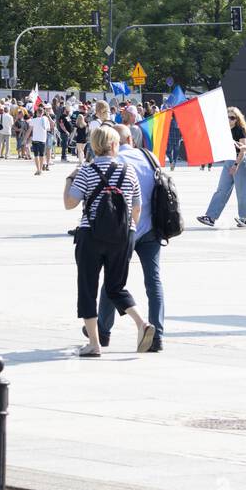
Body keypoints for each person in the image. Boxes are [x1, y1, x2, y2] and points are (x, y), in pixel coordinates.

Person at [64, 124, 155, 358]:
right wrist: (128, 229)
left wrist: (69, 179)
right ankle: (142, 323)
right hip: (123, 236)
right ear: (115, 145)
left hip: (90, 235)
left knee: (88, 289)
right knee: (116, 287)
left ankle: (94, 344)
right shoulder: (129, 171)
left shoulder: (86, 171)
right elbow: (136, 207)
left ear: (94, 146)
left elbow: (70, 203)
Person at [97, 126, 165, 351]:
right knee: (153, 282)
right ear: (131, 138)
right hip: (153, 228)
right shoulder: (150, 156)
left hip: (126, 229)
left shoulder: (116, 162)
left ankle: (103, 332)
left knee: (113, 280)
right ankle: (157, 336)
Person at [197, 107, 246, 226]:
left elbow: (243, 149)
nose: (229, 119)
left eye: (232, 117)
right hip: (229, 160)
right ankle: (211, 217)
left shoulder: (240, 129)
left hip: (240, 161)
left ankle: (245, 219)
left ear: (237, 119)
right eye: (227, 117)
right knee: (221, 190)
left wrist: (236, 164)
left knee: (242, 192)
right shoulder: (224, 130)